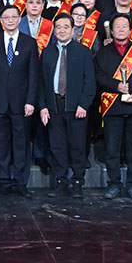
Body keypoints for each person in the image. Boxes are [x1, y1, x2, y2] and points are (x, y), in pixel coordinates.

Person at [38, 14, 97, 197]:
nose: (62, 30)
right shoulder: (47, 53)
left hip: (76, 107)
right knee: (57, 147)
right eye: (58, 27)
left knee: (77, 146)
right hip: (54, 106)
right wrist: (43, 106)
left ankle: (77, 182)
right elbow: (41, 82)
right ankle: (60, 182)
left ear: (73, 30)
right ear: (54, 30)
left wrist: (83, 105)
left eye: (66, 27)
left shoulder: (83, 51)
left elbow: (90, 81)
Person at [96, 14, 132, 200]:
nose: (121, 29)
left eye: (124, 26)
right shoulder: (103, 52)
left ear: (130, 30)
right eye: (117, 27)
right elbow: (99, 76)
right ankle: (114, 184)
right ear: (111, 31)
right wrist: (117, 86)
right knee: (112, 149)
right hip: (113, 107)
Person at [0, 6, 38, 197]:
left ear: (19, 19)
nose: (10, 20)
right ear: (1, 21)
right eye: (6, 17)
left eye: (14, 17)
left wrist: (30, 101)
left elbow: (33, 74)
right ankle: (4, 181)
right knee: (1, 143)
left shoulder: (29, 43)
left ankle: (21, 182)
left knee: (21, 143)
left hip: (22, 103)